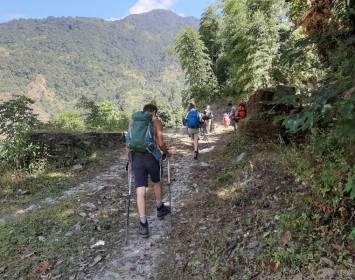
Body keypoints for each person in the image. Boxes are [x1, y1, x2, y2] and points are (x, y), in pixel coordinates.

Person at [127, 103, 172, 238]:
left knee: (140, 190)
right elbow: (160, 143)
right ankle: (159, 208)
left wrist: (131, 161)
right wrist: (167, 153)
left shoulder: (132, 123)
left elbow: (128, 145)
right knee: (157, 181)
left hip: (136, 159)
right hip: (151, 157)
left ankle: (143, 224)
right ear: (154, 112)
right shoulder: (156, 122)